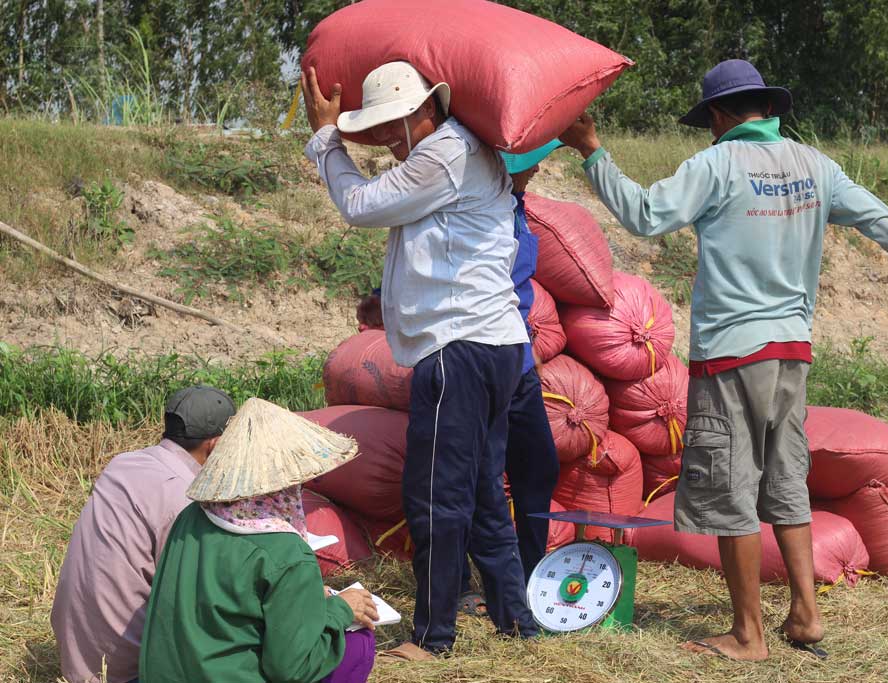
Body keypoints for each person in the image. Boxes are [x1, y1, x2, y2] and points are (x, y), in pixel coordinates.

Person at [559, 59, 888, 662]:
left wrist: (593, 151)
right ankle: (805, 614)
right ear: (768, 110)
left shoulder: (717, 164)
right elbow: (879, 220)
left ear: (720, 116)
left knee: (731, 489)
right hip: (791, 354)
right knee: (785, 483)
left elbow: (647, 216)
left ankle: (748, 634)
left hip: (731, 353)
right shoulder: (816, 166)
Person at [301, 60, 538, 654]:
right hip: (495, 344)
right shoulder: (461, 153)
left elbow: (358, 204)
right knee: (483, 486)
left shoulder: (444, 155)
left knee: (435, 492)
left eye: (388, 126)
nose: (383, 140)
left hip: (459, 348)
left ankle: (433, 637)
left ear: (420, 112)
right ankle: (517, 619)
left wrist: (328, 140)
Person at [138, 397, 376, 683]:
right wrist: (340, 610)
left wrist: (308, 598)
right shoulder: (288, 554)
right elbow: (292, 669)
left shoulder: (191, 516)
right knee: (359, 644)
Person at [50, 385, 236, 683]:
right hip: (128, 672)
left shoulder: (123, 463)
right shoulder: (186, 499)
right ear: (214, 446)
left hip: (77, 657)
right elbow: (199, 600)